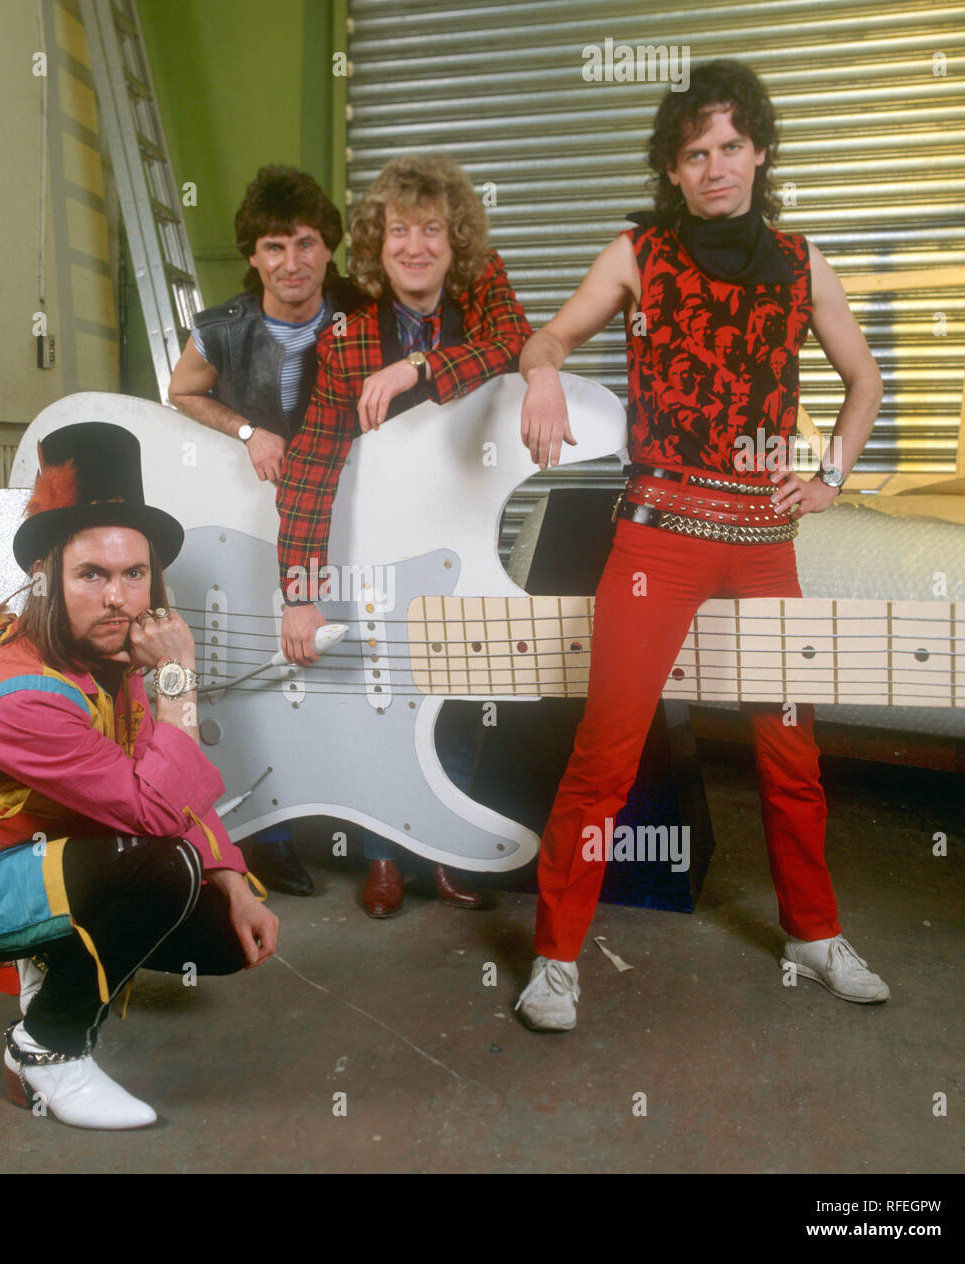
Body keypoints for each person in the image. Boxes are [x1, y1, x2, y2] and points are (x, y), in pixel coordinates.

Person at [513, 60, 888, 1032]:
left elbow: (864, 381)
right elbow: (545, 337)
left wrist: (831, 476)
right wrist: (542, 375)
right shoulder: (639, 253)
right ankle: (554, 958)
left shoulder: (803, 264)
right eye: (694, 152)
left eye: (729, 146)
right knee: (606, 746)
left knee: (789, 747)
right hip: (657, 535)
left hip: (765, 540)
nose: (714, 166)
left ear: (758, 152)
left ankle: (812, 932)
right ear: (672, 170)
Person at [0, 421, 278, 1127]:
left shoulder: (110, 658)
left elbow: (167, 779)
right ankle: (43, 1054)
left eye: (134, 574)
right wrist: (177, 680)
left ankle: (50, 954)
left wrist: (230, 876)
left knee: (221, 933)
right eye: (92, 574)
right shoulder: (17, 690)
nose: (119, 598)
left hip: (55, 850)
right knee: (158, 868)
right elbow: (156, 813)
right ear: (47, 578)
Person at [275, 152, 533, 918]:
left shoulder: (484, 291)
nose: (414, 247)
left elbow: (514, 344)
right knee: (382, 692)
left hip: (469, 535)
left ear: (455, 240)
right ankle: (386, 854)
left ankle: (443, 856)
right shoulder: (348, 336)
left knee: (461, 690)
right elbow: (312, 466)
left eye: (430, 231)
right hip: (381, 547)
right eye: (398, 233)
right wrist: (299, 593)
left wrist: (419, 366)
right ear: (375, 245)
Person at [169, 165, 366, 897]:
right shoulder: (223, 326)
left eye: (307, 244)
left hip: (351, 512)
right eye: (273, 246)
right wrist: (247, 427)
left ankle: (377, 841)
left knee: (354, 661)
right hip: (257, 515)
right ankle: (270, 835)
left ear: (329, 249)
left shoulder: (364, 314)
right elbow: (181, 391)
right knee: (255, 666)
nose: (292, 263)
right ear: (252, 254)